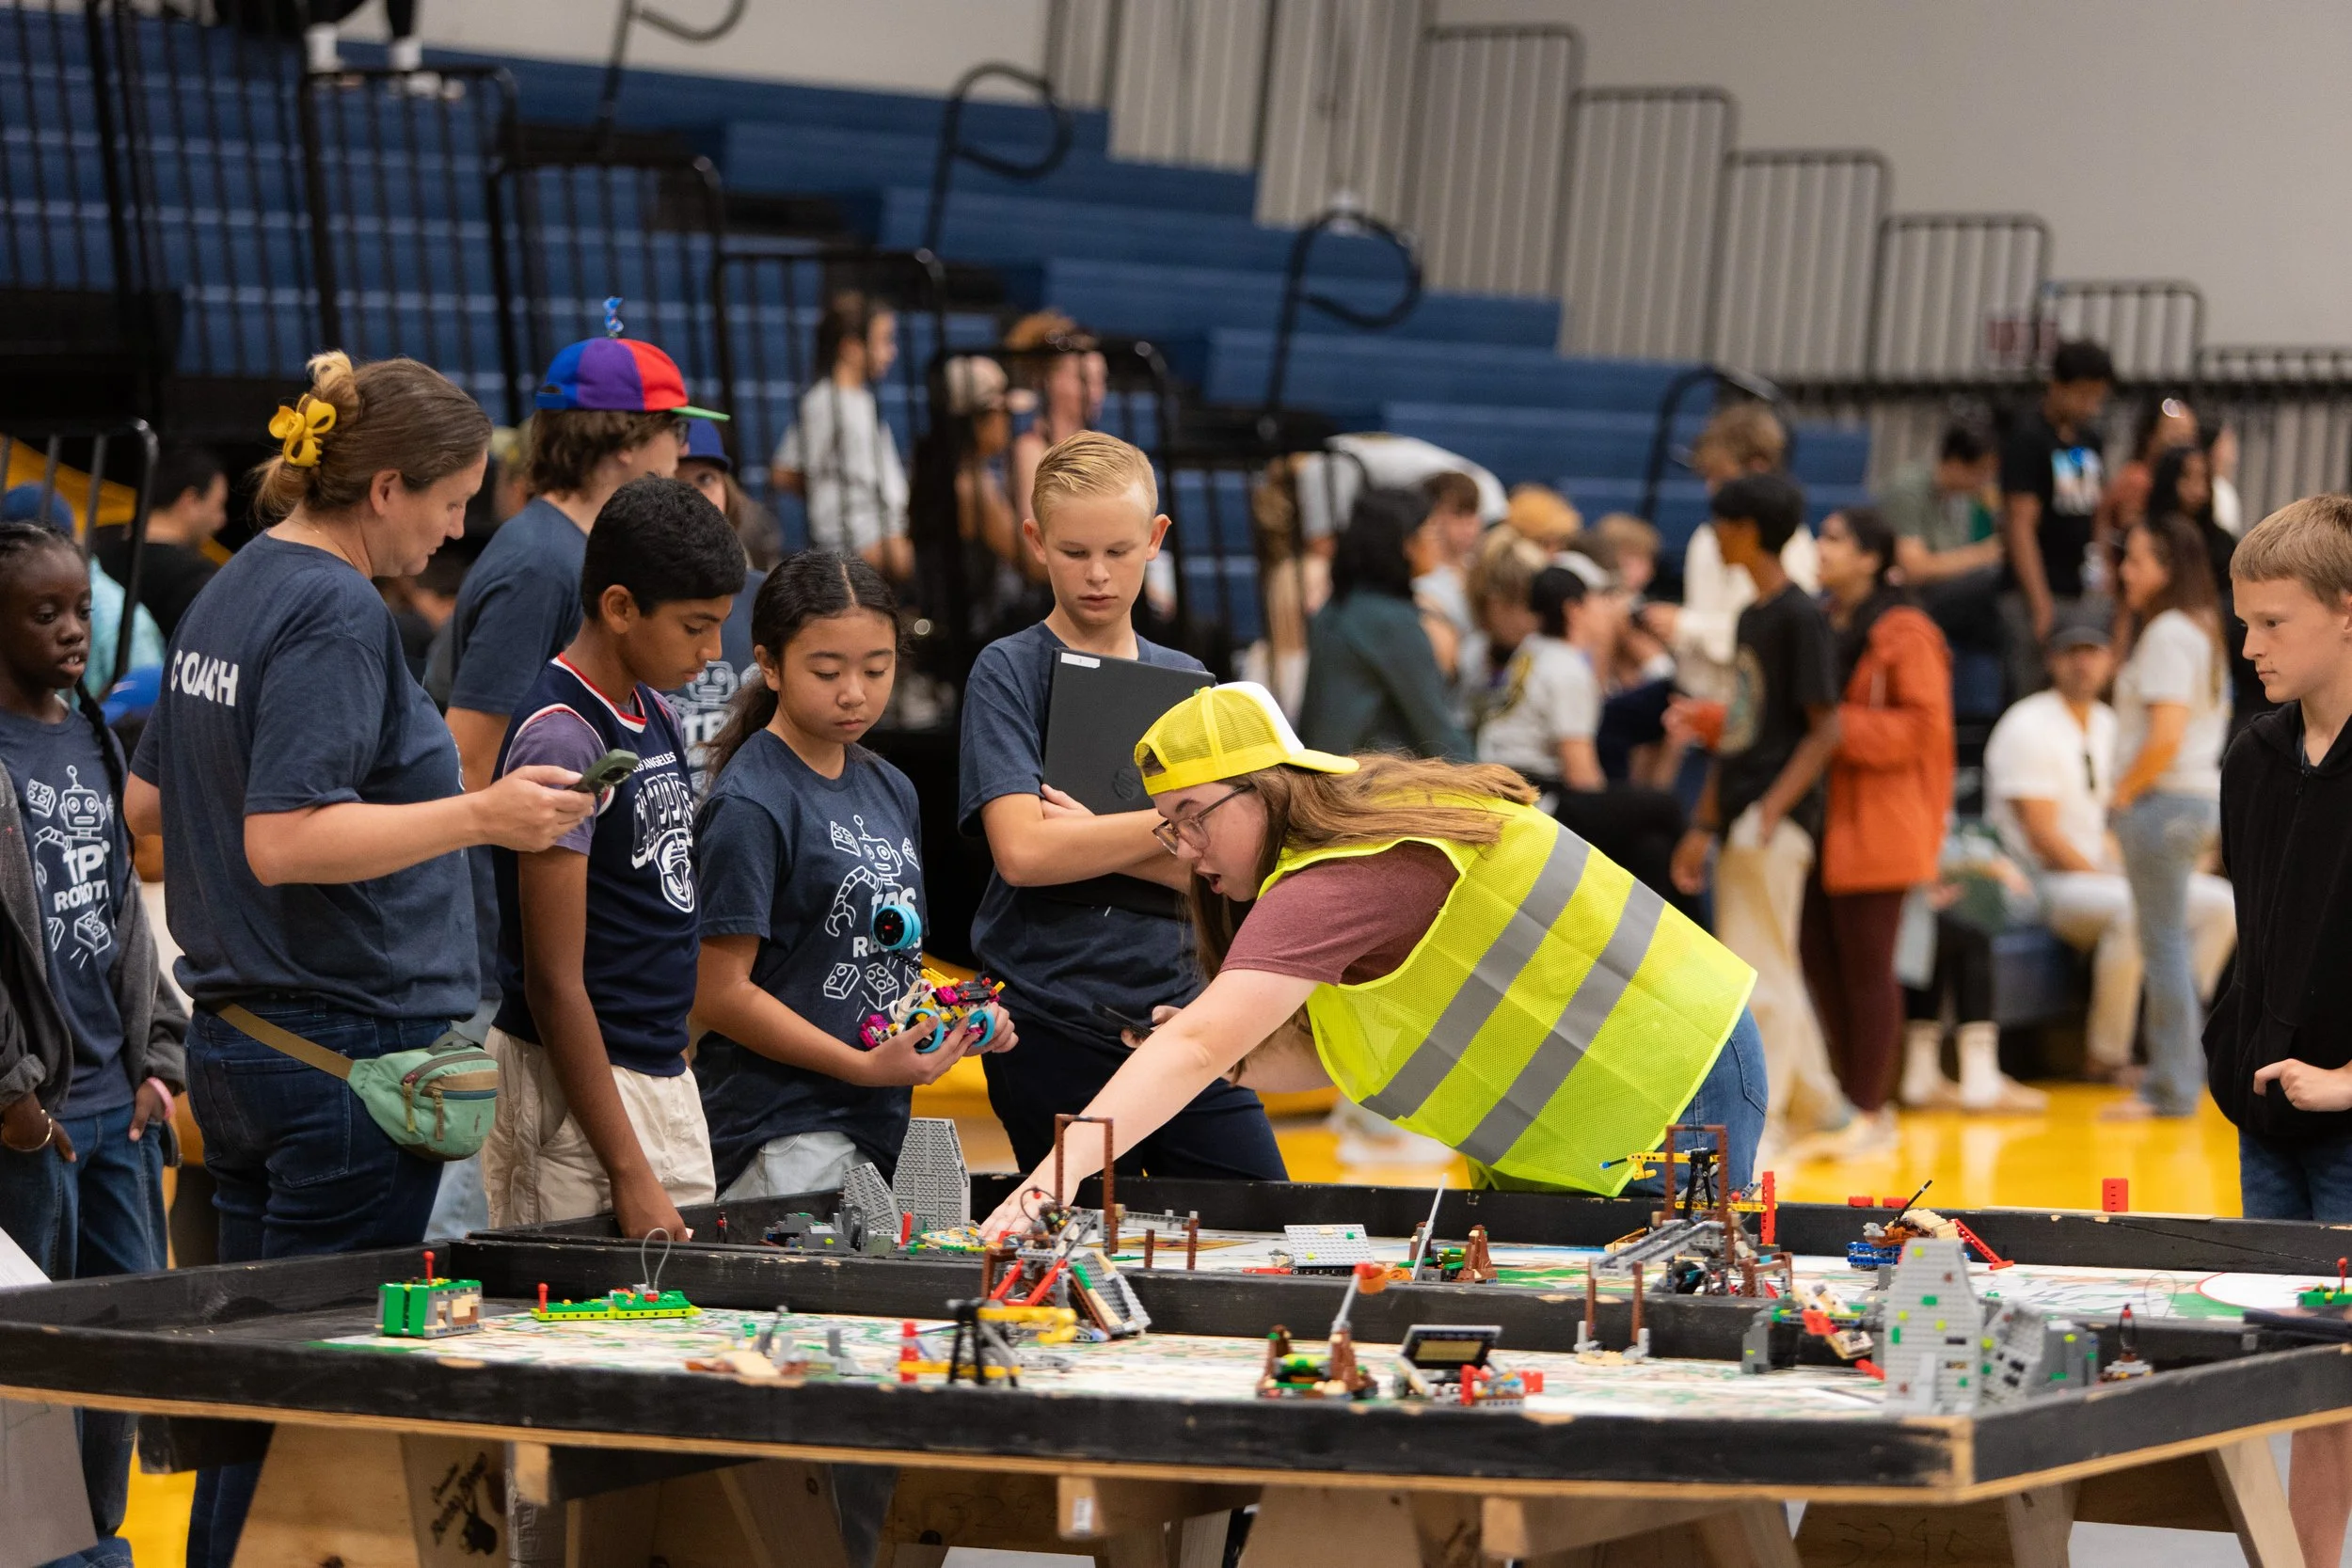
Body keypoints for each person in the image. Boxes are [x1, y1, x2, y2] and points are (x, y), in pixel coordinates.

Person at [122, 351, 591, 1568]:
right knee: (299, 1413)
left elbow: (148, 802)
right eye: (451, 502)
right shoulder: (332, 606)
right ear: (385, 485)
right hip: (336, 1057)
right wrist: (479, 814)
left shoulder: (233, 586)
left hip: (248, 1045)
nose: (455, 531)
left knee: (250, 1398)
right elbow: (284, 838)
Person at [975, 682, 1767, 1237]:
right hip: (1591, 1112)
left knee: (1662, 1315)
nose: (1185, 850)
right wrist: (1233, 1060)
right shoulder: (1353, 831)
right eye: (1168, 827)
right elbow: (1333, 1051)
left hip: (1673, 1083)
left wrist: (1056, 1175)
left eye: (1191, 817)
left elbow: (1197, 1041)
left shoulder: (1338, 879)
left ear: (1264, 788)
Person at [960, 432, 1282, 1180]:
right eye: (1074, 552)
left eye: (1119, 550)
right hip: (1050, 1017)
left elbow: (1225, 878)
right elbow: (1026, 854)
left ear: (1156, 539)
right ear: (1036, 541)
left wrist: (1100, 838)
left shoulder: (1193, 683)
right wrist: (1178, 827)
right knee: (1079, 1236)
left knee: (1258, 1209)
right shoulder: (1008, 669)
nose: (1098, 574)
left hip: (1182, 1016)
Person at [693, 553, 1013, 1199]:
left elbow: (880, 953)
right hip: (780, 1131)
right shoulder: (753, 801)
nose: (854, 692)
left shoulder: (889, 785)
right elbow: (716, 993)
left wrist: (951, 1016)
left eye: (876, 667)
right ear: (771, 664)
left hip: (876, 1121)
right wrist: (862, 1066)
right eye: (827, 670)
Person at [483, 477, 744, 1237]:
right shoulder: (564, 737)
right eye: (696, 626)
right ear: (622, 606)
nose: (712, 651)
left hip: (658, 1069)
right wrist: (628, 1168)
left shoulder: (652, 706)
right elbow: (554, 980)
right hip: (580, 1095)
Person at [0, 520, 185, 1568]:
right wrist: (8, 1089)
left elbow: (116, 913)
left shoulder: (87, 735)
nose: (75, 631)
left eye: (80, 609)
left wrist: (161, 1056)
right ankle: (43, 1552)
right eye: (45, 612)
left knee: (126, 1342)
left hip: (119, 1107)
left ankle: (102, 1543)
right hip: (32, 1120)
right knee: (33, 1357)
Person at [2199, 495, 2352, 1568]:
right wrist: (2232, 1054)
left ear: (2347, 614)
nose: (2248, 646)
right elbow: (2260, 929)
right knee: (2296, 1369)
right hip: (2266, 1109)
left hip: (2347, 1114)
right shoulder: (2251, 755)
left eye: (2273, 622)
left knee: (2336, 1378)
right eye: (2242, 621)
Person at [1670, 473, 1849, 1158]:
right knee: (1768, 959)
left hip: (1777, 817)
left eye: (1723, 520)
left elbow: (1826, 728)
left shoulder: (1801, 616)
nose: (1714, 532)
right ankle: (1824, 1104)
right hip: (1744, 808)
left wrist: (1773, 807)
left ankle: (1766, 1118)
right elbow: (1739, 730)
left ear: (1748, 527)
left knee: (1757, 969)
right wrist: (1704, 821)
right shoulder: (1751, 614)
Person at [1983, 613, 2233, 1090]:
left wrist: (2126, 868)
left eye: (2093, 652)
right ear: (2051, 660)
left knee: (2222, 906)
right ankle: (2106, 1056)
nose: (2083, 664)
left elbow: (2125, 810)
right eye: (2072, 652)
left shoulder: (2110, 721)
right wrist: (2117, 877)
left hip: (2109, 871)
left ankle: (2166, 1030)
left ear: (2109, 660)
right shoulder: (2026, 723)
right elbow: (2043, 837)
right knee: (2134, 912)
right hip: (2041, 881)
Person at [1796, 509, 1952, 1156]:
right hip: (1821, 819)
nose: (1820, 548)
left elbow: (1920, 728)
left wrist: (1835, 730)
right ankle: (1841, 1100)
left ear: (1870, 557)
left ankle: (1869, 1105)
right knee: (1819, 963)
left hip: (1880, 819)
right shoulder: (1823, 619)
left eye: (1835, 539)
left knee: (1867, 969)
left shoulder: (1905, 630)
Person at [2105, 514, 2232, 1119]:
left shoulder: (2168, 634)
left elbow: (2165, 735)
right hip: (2194, 800)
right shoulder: (2200, 629)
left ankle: (2171, 1087)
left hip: (2164, 802)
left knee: (2163, 948)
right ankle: (2179, 1074)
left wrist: (2121, 794)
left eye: (2136, 559)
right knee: (2170, 944)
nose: (2125, 570)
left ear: (2167, 568)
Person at [1641, 404, 1819, 708]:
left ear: (1758, 467)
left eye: (1722, 479)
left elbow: (1768, 639)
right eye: (1708, 479)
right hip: (1688, 691)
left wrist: (1684, 625)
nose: (1712, 491)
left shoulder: (1791, 545)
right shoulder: (1705, 537)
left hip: (1741, 706)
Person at [1297, 487, 1473, 761]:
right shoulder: (1388, 621)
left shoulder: (1338, 606)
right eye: (1432, 532)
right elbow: (1437, 733)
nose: (1438, 543)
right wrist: (1496, 790)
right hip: (1368, 786)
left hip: (1330, 779)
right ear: (1406, 544)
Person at [771, 290, 913, 583]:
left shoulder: (861, 399)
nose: (892, 352)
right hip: (858, 537)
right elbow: (784, 472)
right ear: (850, 347)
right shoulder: (825, 401)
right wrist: (831, 496)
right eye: (884, 341)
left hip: (886, 528)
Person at [1999, 339, 2114, 691]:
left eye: (2097, 397)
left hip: (2077, 587)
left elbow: (2095, 510)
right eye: (2083, 395)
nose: (2090, 406)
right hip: (2035, 590)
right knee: (2032, 688)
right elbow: (2020, 525)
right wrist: (2039, 601)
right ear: (2057, 386)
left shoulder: (2090, 439)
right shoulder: (2028, 439)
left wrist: (2100, 568)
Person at [668, 419, 770, 794]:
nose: (693, 495)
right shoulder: (628, 608)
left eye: (706, 479)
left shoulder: (766, 597)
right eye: (674, 480)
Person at [1878, 423, 2003, 658]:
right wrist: (1984, 553)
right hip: (1908, 595)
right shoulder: (1909, 489)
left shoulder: (1962, 499)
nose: (1985, 482)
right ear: (1955, 464)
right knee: (1991, 582)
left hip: (1948, 594)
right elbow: (1914, 568)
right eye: (1981, 472)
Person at [1477, 565, 1603, 794]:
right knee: (1662, 809)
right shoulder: (1567, 669)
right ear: (1573, 609)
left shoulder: (1528, 647)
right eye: (1592, 601)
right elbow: (1580, 773)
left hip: (1496, 774)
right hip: (1536, 789)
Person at [94, 440, 226, 639]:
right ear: (190, 501)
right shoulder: (198, 577)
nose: (220, 520)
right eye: (218, 506)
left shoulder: (93, 549)